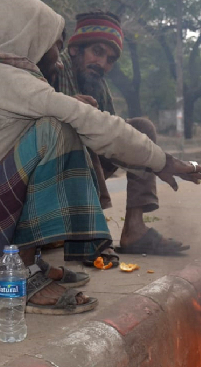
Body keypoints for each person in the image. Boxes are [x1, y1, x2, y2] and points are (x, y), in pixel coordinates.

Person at [0, 0, 201, 315]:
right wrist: (164, 161)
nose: (57, 55)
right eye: (53, 44)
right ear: (30, 40)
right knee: (57, 129)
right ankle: (15, 282)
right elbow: (94, 123)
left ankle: (28, 264)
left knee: (54, 127)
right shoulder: (7, 78)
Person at [54, 11, 188, 256]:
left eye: (110, 59)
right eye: (97, 51)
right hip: (49, 173)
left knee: (141, 129)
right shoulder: (53, 67)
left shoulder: (97, 83)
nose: (103, 63)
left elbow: (116, 137)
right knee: (86, 133)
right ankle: (88, 231)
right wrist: (69, 107)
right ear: (75, 49)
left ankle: (134, 230)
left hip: (87, 169)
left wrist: (158, 160)